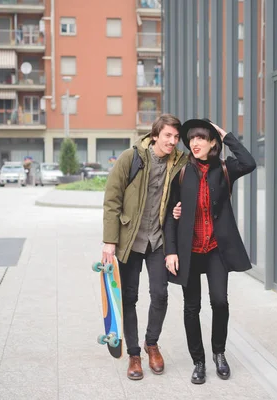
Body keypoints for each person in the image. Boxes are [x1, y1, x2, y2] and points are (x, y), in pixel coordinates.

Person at [163, 118, 256, 384]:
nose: (195, 143)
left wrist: (227, 136)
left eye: (201, 138)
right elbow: (171, 215)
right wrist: (171, 251)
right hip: (189, 251)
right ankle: (199, 361)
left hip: (216, 250)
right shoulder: (181, 173)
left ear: (212, 142)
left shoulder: (225, 169)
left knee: (219, 302)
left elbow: (249, 162)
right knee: (192, 307)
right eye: (191, 139)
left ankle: (219, 353)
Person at [102, 114, 188, 380]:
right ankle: (135, 354)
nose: (172, 142)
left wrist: (180, 208)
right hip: (130, 240)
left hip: (159, 240)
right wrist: (109, 241)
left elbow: (194, 186)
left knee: (160, 295)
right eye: (167, 136)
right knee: (129, 297)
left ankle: (152, 344)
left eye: (176, 137)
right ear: (155, 136)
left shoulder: (181, 163)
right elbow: (112, 199)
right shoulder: (132, 158)